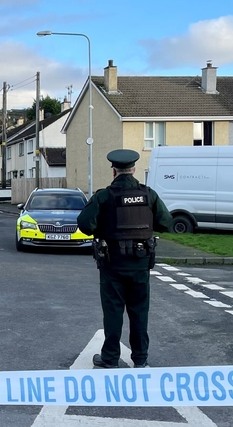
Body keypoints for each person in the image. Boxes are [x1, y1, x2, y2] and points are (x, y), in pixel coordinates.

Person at [77, 149, 172, 369]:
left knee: (113, 311)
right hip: (140, 264)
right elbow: (165, 222)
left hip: (113, 263)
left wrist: (102, 226)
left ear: (114, 171)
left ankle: (110, 358)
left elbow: (84, 224)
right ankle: (140, 358)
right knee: (139, 312)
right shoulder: (149, 194)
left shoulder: (104, 196)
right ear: (134, 169)